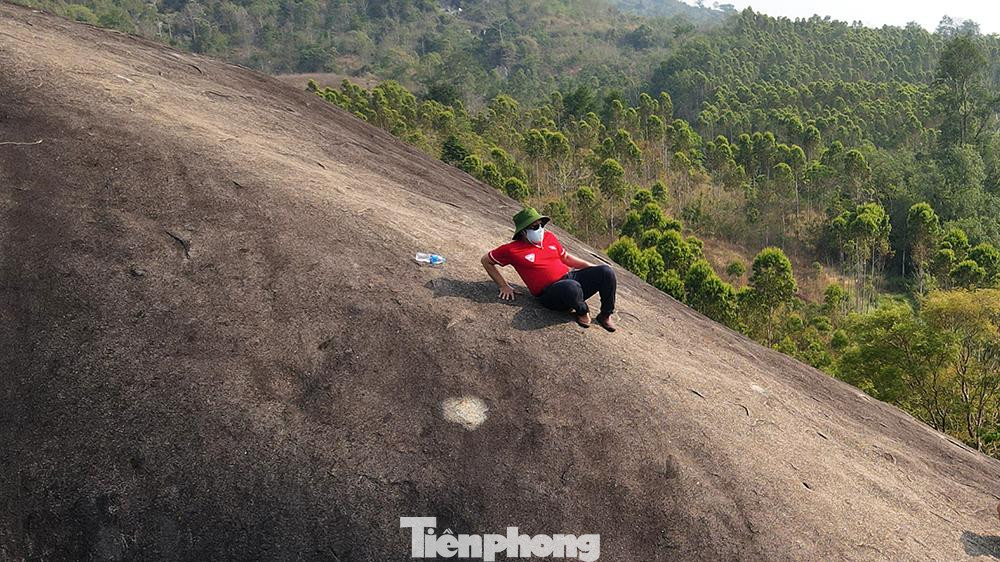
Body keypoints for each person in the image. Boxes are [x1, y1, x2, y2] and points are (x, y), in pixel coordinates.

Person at [481, 207, 617, 331]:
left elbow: (566, 258)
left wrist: (592, 268)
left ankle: (605, 315)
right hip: (550, 293)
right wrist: (503, 286)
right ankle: (582, 310)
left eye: (541, 225)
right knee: (571, 287)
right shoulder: (512, 250)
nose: (540, 229)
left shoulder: (549, 237)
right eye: (535, 227)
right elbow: (486, 260)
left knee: (606, 272)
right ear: (523, 232)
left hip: (569, 278)